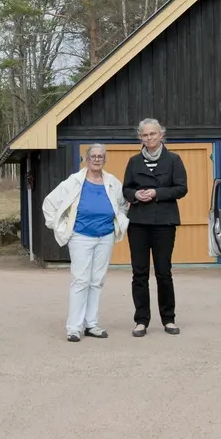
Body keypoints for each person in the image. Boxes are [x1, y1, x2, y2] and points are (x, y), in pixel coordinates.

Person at [42, 144, 130, 342]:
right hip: (81, 236)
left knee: (97, 280)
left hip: (105, 236)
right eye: (93, 156)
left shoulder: (112, 182)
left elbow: (123, 204)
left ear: (104, 160)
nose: (97, 159)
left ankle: (91, 324)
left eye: (101, 156)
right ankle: (74, 327)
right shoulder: (74, 181)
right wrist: (58, 225)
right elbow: (49, 202)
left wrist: (120, 220)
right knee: (81, 280)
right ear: (86, 159)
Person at [122, 118, 188, 337]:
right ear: (140, 137)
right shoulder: (133, 161)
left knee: (163, 272)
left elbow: (181, 188)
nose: (148, 138)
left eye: (152, 134)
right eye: (144, 135)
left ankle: (168, 319)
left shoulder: (174, 160)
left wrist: (157, 193)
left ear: (161, 135)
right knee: (139, 273)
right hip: (139, 222)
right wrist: (136, 195)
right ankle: (141, 320)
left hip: (164, 223)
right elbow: (126, 189)